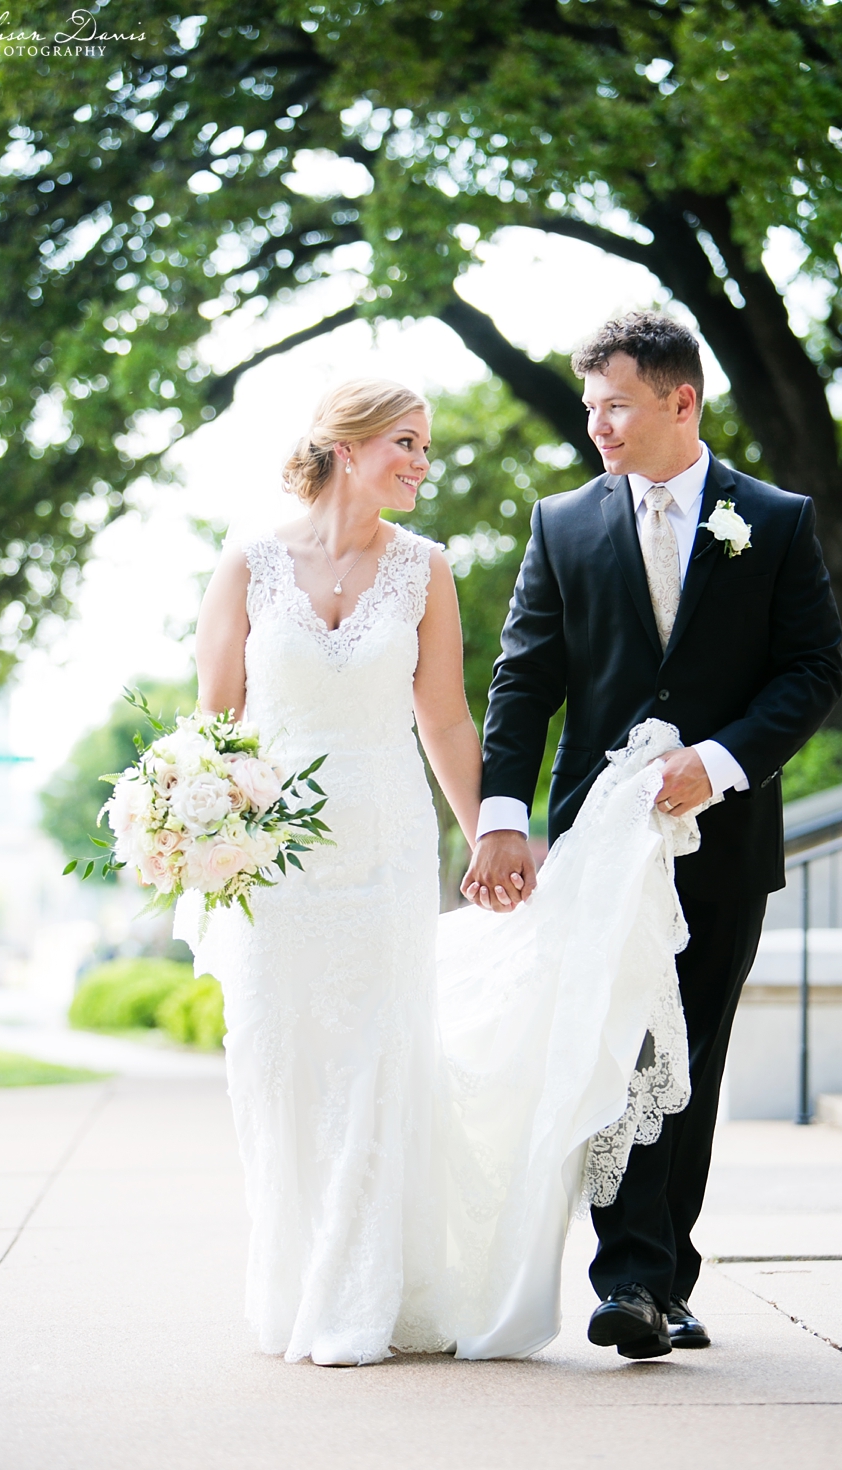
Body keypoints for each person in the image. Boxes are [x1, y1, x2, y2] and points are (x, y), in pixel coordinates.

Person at [181, 376, 703, 1367]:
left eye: (425, 447)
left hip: (381, 855)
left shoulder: (424, 568)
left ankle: (355, 1301)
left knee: (378, 1064)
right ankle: (296, 1284)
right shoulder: (246, 565)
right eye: (406, 445)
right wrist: (197, 825)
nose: (422, 464)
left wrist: (489, 837)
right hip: (277, 862)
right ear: (345, 442)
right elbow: (214, 722)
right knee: (276, 1065)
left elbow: (446, 717)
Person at [462, 311, 842, 1359]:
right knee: (616, 1041)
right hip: (596, 847)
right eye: (589, 407)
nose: (597, 427)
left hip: (720, 843)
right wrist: (503, 817)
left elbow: (810, 670)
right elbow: (524, 678)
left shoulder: (773, 519)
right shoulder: (562, 524)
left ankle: (663, 1275)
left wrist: (715, 765)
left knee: (692, 1058)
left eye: (615, 405)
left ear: (682, 402)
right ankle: (627, 1277)